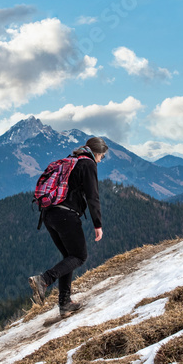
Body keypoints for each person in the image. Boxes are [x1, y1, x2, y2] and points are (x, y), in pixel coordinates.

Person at [28, 136, 107, 318]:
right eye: (102, 156)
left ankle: (65, 304)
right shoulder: (88, 164)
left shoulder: (70, 160)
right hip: (66, 216)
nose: (101, 160)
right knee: (79, 256)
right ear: (97, 153)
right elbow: (93, 196)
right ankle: (44, 280)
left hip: (49, 215)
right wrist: (98, 224)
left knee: (69, 257)